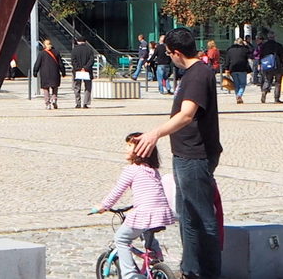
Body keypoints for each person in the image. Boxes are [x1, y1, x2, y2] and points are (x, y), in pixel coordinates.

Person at [135, 27, 221, 279]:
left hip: (195, 156)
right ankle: (191, 270)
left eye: (169, 53)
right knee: (187, 216)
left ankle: (208, 273)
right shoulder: (195, 73)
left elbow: (186, 114)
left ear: (176, 53)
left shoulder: (197, 75)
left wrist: (155, 134)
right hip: (185, 154)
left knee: (202, 218)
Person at [95, 130, 176, 279]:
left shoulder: (131, 170)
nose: (125, 149)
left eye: (129, 146)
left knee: (121, 238)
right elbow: (151, 193)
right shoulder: (153, 170)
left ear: (140, 150)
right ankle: (155, 257)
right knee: (146, 231)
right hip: (161, 212)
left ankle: (130, 274)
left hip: (145, 212)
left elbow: (117, 191)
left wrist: (103, 206)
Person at [257, 31, 283, 104]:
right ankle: (276, 98)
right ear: (274, 37)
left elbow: (260, 56)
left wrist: (260, 64)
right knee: (278, 82)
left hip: (267, 65)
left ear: (268, 37)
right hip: (277, 66)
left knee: (267, 80)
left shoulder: (264, 46)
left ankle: (264, 92)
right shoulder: (278, 45)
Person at [33, 38, 64, 109]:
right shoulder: (56, 52)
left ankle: (47, 103)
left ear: (44, 45)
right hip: (55, 73)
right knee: (55, 87)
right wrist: (63, 72)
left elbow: (37, 63)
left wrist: (35, 71)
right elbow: (61, 64)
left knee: (45, 88)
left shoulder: (41, 53)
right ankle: (54, 99)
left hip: (45, 74)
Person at [223, 37, 252, 105]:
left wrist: (226, 68)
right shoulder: (244, 49)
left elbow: (227, 60)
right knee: (243, 84)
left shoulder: (230, 50)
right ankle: (239, 95)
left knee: (236, 84)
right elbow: (251, 52)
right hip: (242, 68)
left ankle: (238, 97)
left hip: (233, 68)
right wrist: (246, 45)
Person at [71, 37, 97, 109]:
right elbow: (91, 60)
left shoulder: (74, 50)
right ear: (85, 41)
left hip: (77, 71)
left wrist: (78, 68)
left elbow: (73, 61)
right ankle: (85, 103)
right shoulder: (89, 49)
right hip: (87, 71)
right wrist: (85, 68)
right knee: (88, 87)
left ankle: (78, 103)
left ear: (77, 42)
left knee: (77, 87)